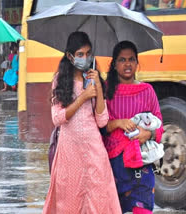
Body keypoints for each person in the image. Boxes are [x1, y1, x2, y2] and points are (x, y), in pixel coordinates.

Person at [43, 31, 122, 213]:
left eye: (88, 54)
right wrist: (83, 97)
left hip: (94, 150)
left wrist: (99, 89)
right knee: (70, 202)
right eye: (80, 54)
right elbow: (57, 118)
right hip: (69, 152)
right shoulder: (60, 81)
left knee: (99, 200)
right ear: (70, 56)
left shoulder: (93, 79)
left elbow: (102, 121)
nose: (85, 58)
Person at [104, 41, 164, 214]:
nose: (127, 64)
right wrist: (119, 122)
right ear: (114, 64)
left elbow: (160, 127)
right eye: (122, 60)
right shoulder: (105, 92)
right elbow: (99, 127)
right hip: (114, 168)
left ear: (137, 63)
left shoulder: (147, 91)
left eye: (131, 59)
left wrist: (148, 133)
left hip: (142, 166)